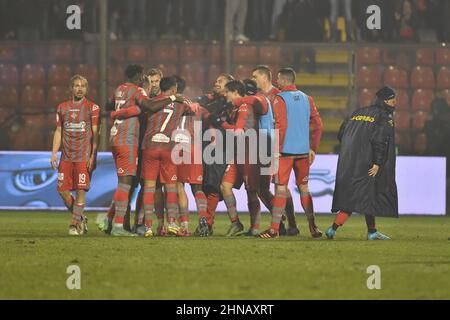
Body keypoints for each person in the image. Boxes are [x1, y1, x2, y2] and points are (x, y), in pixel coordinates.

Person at [105, 65, 183, 237]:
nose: (154, 84)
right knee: (130, 184)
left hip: (143, 145)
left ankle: (140, 223)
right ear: (144, 79)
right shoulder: (142, 94)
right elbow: (146, 107)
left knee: (144, 186)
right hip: (136, 143)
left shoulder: (137, 93)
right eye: (151, 81)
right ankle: (117, 222)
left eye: (157, 81)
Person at [325, 86, 399, 240]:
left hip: (349, 160)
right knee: (358, 197)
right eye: (393, 100)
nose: (395, 103)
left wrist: (352, 150)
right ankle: (333, 229)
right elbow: (381, 141)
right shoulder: (384, 116)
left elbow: (342, 134)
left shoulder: (357, 112)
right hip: (368, 163)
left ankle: (371, 232)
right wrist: (377, 163)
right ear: (386, 101)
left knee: (365, 196)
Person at [260, 68, 323, 239]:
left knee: (280, 189)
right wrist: (313, 149)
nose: (277, 82)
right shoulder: (307, 98)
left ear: (284, 79)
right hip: (303, 152)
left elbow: (281, 125)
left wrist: (276, 150)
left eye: (278, 79)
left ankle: (274, 229)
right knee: (304, 188)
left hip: (285, 153)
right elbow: (319, 126)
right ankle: (313, 227)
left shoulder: (279, 98)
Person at [251, 65, 299, 236]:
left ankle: (291, 223)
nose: (253, 79)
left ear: (265, 77)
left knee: (281, 186)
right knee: (262, 188)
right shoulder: (255, 97)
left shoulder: (279, 96)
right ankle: (281, 221)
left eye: (255, 76)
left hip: (276, 146)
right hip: (262, 145)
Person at [50, 75, 100, 235]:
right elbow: (58, 131)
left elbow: (95, 134)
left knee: (80, 191)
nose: (80, 88)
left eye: (83, 86)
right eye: (77, 86)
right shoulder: (62, 107)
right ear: (70, 88)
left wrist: (93, 156)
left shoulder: (92, 108)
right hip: (66, 157)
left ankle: (73, 225)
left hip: (83, 156)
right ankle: (80, 217)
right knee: (62, 191)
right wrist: (53, 154)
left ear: (87, 88)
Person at [217, 80, 260, 236]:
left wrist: (223, 125)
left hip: (249, 153)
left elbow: (238, 131)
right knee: (225, 186)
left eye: (227, 92)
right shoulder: (235, 108)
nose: (225, 95)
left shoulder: (244, 107)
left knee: (252, 191)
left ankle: (255, 227)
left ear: (235, 92)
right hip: (237, 154)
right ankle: (236, 222)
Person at [194, 74, 235, 237]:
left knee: (212, 186)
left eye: (221, 81)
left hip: (220, 147)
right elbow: (198, 102)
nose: (216, 83)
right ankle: (205, 222)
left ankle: (208, 223)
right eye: (216, 80)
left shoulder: (229, 103)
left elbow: (210, 112)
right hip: (203, 145)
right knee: (202, 185)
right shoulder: (209, 98)